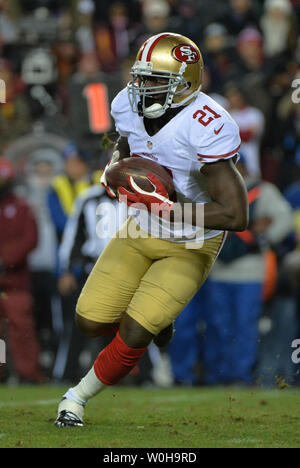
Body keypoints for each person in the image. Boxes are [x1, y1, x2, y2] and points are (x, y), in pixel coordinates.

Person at [55, 32, 248, 428]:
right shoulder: (126, 102)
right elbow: (127, 145)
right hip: (139, 229)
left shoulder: (206, 123)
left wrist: (171, 210)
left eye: (156, 80)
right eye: (140, 78)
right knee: (89, 321)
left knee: (135, 328)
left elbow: (234, 214)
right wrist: (114, 168)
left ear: (186, 83)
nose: (143, 88)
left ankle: (75, 399)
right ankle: (160, 317)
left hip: (191, 242)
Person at [0, 156, 44, 383]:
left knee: (22, 331)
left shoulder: (21, 207)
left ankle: (29, 374)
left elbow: (30, 239)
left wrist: (5, 261)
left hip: (15, 282)